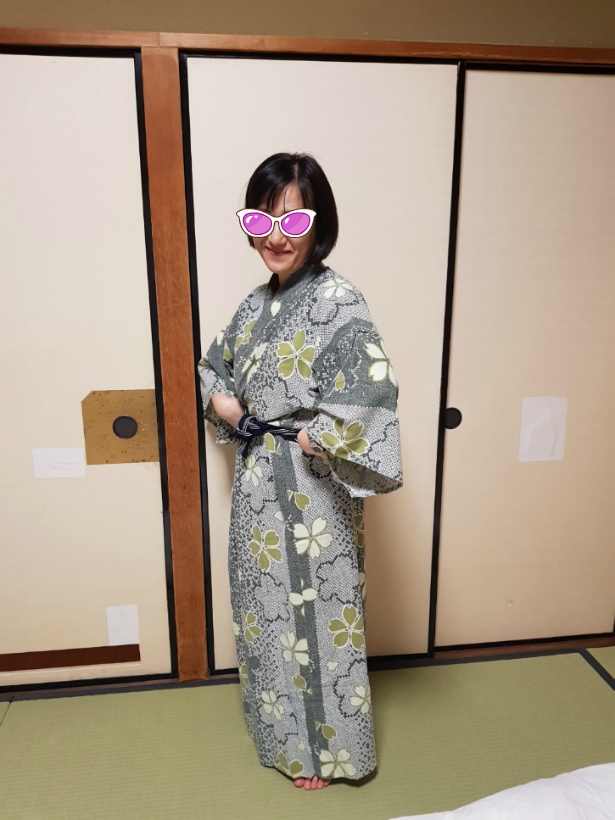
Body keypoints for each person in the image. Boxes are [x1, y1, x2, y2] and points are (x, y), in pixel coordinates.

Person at [198, 152, 402, 790]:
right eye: (262, 220)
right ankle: (282, 737)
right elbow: (213, 368)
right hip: (258, 488)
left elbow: (373, 391)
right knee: (267, 616)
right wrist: (222, 402)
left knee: (318, 621)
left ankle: (327, 753)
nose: (276, 236)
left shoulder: (340, 300)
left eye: (293, 220)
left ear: (319, 224)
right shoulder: (253, 304)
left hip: (312, 494)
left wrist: (321, 437)